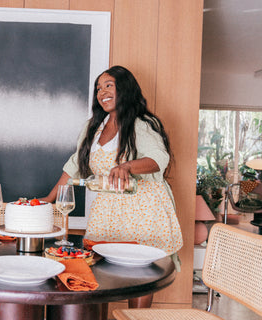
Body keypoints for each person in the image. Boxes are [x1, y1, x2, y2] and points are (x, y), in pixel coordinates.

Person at [42, 65, 183, 309]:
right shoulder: (93, 127)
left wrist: (127, 166)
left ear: (125, 90)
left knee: (142, 274)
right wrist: (48, 199)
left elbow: (159, 159)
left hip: (144, 211)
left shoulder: (142, 123)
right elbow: (75, 164)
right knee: (98, 270)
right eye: (98, 88)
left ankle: (137, 317)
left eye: (109, 86)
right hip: (108, 212)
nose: (102, 92)